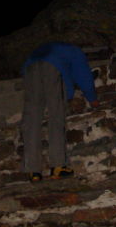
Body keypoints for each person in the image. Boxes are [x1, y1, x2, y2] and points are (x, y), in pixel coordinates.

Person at [20, 41, 99, 182]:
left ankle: (33, 170)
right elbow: (83, 76)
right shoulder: (76, 52)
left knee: (32, 119)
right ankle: (58, 166)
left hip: (30, 68)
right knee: (56, 116)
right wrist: (92, 98)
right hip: (53, 67)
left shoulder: (57, 49)